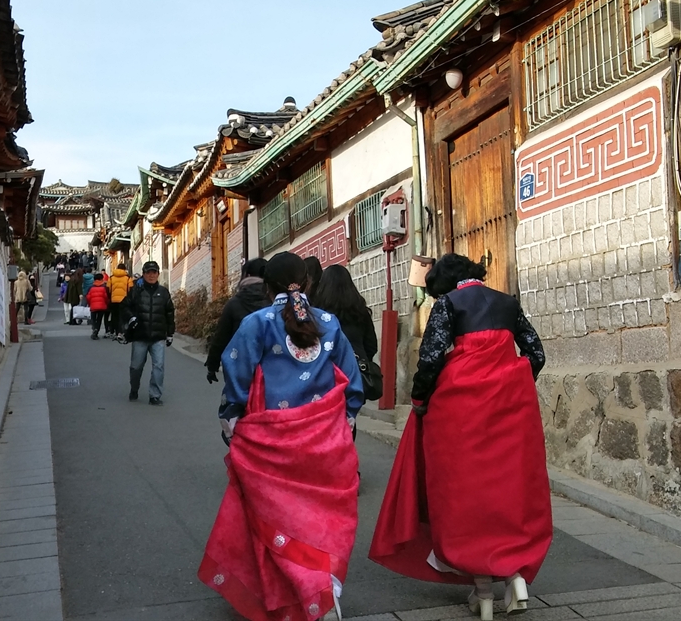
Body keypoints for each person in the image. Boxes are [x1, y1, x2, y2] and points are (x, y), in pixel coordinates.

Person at [369, 253, 551, 621]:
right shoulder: (507, 303)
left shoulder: (449, 305)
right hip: (510, 412)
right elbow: (536, 353)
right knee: (509, 491)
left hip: (459, 412)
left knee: (466, 495)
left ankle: (484, 592)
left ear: (445, 286)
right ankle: (514, 575)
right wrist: (510, 386)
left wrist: (419, 399)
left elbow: (431, 358)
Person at [200, 252, 364, 621]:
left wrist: (231, 415)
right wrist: (348, 417)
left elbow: (236, 370)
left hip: (272, 438)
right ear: (307, 283)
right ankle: (326, 586)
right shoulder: (328, 322)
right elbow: (352, 381)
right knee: (324, 516)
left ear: (268, 286)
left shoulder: (258, 322)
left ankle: (300, 590)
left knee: (280, 518)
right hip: (324, 436)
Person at [313, 264, 381, 405]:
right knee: (351, 416)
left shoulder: (318, 314)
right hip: (355, 372)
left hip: (327, 373)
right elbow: (371, 345)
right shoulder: (360, 311)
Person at [204, 258, 270, 384]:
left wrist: (212, 365)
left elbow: (221, 337)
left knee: (237, 401)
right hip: (271, 368)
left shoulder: (234, 304)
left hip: (240, 367)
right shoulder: (275, 302)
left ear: (247, 275)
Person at [123, 260, 174, 404]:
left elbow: (170, 312)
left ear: (158, 274)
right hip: (140, 335)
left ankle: (155, 395)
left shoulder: (163, 292)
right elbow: (124, 306)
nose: (151, 275)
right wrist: (131, 317)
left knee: (159, 366)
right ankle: (134, 388)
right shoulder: (136, 291)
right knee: (136, 366)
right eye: (148, 272)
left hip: (158, 337)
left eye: (154, 272)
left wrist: (170, 333)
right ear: (144, 274)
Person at [107, 263, 133, 339]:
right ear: (124, 269)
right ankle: (121, 332)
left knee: (114, 316)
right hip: (124, 300)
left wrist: (110, 297)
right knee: (122, 316)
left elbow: (108, 289)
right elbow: (130, 289)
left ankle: (114, 331)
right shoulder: (128, 278)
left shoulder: (111, 278)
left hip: (114, 300)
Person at [86, 273, 109, 340]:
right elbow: (106, 297)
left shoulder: (91, 287)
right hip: (102, 306)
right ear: (102, 279)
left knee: (93, 319)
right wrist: (106, 303)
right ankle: (96, 331)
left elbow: (88, 297)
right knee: (99, 319)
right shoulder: (104, 287)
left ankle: (94, 328)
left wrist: (89, 304)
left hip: (93, 306)